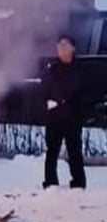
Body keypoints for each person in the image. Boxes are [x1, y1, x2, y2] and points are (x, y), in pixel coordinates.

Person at [42, 35, 87, 189]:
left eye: (65, 45)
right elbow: (45, 90)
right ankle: (50, 182)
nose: (62, 48)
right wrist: (49, 103)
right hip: (54, 117)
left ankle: (79, 182)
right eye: (59, 45)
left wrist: (67, 102)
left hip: (73, 117)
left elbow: (81, 91)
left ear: (73, 48)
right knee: (52, 151)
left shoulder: (79, 69)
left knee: (74, 151)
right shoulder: (52, 69)